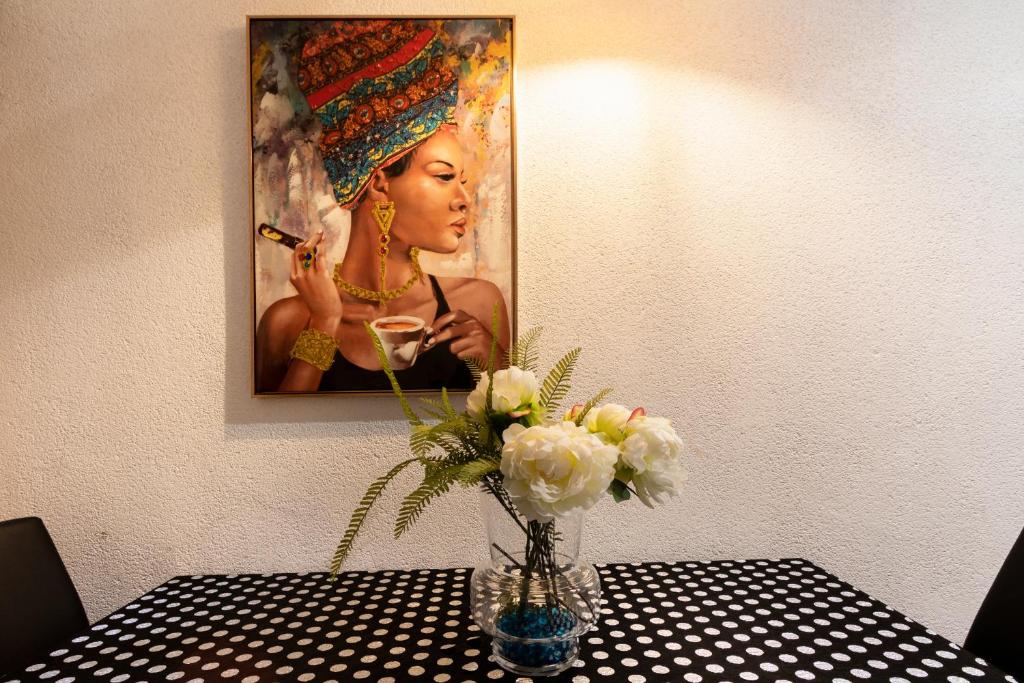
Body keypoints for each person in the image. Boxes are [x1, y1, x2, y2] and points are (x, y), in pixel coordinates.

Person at [255, 19, 511, 393]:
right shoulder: (287, 321)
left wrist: (497, 363)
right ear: (378, 183)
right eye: (443, 177)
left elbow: (516, 432)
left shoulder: (478, 303)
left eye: (463, 181)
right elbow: (268, 438)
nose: (463, 200)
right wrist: (325, 320)